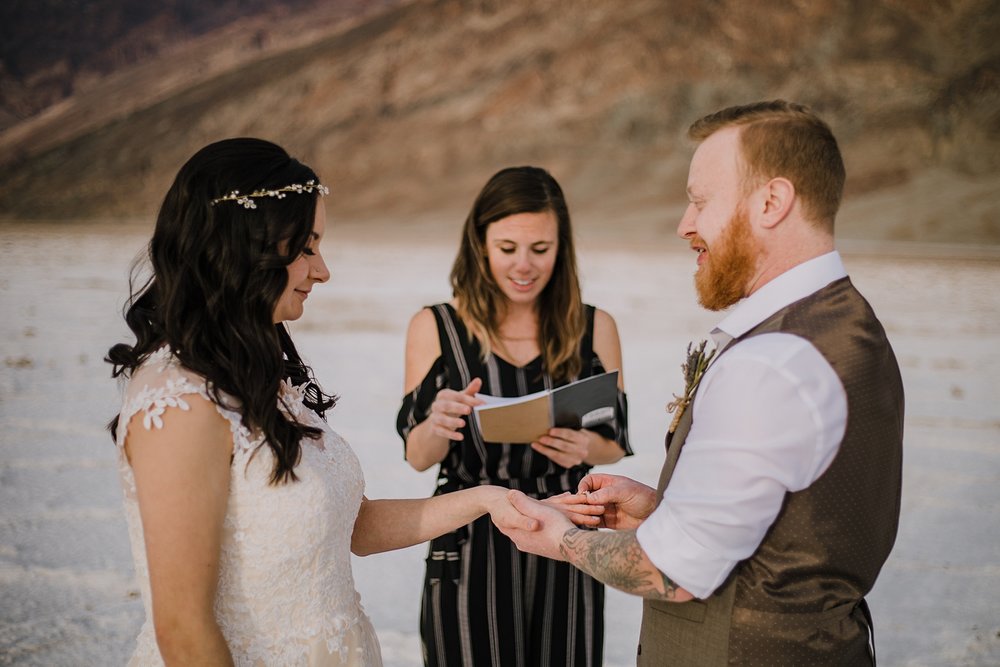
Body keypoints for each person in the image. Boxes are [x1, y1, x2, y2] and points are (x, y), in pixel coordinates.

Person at [499, 100, 905, 666]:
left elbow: (673, 570)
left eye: (700, 199)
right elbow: (800, 524)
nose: (684, 225)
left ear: (771, 202)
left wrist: (562, 539)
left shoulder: (772, 360)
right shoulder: (847, 324)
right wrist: (665, 509)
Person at [106, 138, 537, 666]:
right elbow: (183, 629)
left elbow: (351, 527)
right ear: (245, 248)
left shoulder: (262, 378)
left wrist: (487, 499)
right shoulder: (179, 407)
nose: (322, 270)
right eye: (306, 248)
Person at [396, 165, 632, 666]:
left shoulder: (595, 327)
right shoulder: (437, 326)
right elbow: (418, 457)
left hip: (568, 530)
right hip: (469, 538)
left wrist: (584, 447)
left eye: (540, 250)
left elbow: (614, 439)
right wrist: (437, 424)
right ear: (479, 243)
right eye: (507, 249)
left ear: (561, 247)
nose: (523, 265)